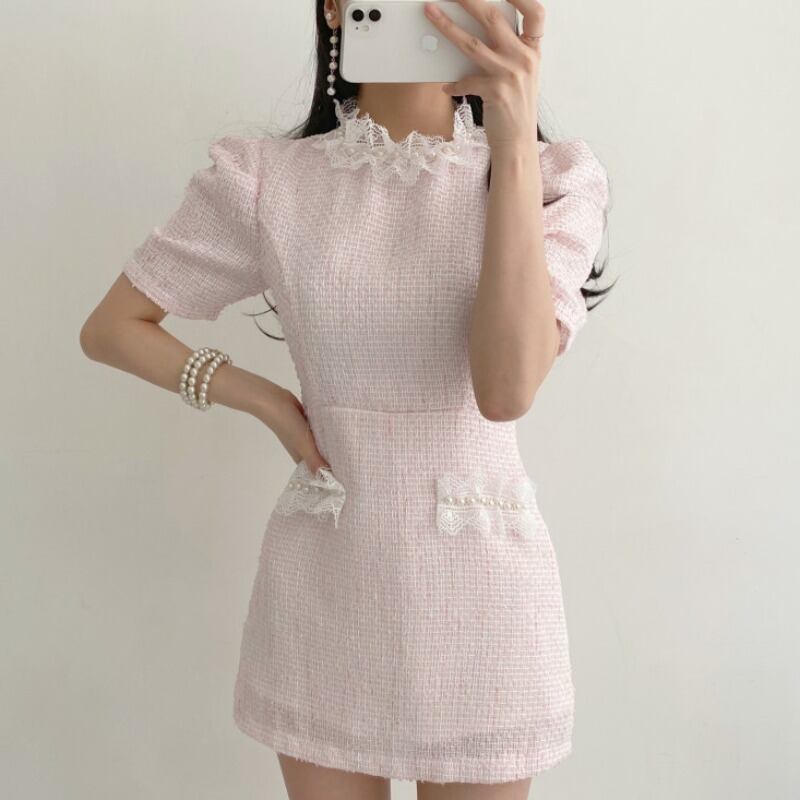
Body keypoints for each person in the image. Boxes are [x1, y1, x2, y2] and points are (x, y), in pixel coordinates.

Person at [80, 0, 612, 797]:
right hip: (327, 583)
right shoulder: (268, 180)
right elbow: (113, 327)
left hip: (483, 600)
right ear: (335, 5)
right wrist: (264, 400)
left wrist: (511, 144)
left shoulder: (557, 181)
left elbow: (504, 390)